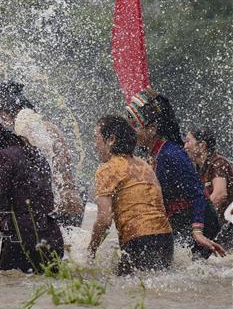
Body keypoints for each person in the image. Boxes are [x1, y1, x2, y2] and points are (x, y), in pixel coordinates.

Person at [126, 88, 225, 259]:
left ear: (153, 128)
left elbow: (198, 194)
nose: (131, 131)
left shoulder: (172, 153)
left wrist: (198, 232)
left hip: (201, 226)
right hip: (179, 223)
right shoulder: (152, 153)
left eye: (135, 125)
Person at [0, 118, 64, 273]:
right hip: (51, 234)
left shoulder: (2, 157)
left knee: (8, 287)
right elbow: (29, 195)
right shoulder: (34, 153)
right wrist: (1, 216)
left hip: (22, 238)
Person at [88, 115, 173, 275]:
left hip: (139, 240)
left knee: (123, 292)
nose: (95, 145)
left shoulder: (107, 169)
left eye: (96, 138)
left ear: (111, 139)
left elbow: (104, 219)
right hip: (166, 238)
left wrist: (90, 252)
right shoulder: (144, 165)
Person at [0, 79, 84, 228]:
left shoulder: (16, 138)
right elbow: (65, 168)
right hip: (71, 205)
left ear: (4, 114)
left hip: (44, 213)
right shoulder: (51, 128)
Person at [184, 129, 233, 222]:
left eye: (188, 141)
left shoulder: (218, 163)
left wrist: (198, 217)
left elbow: (220, 195)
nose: (185, 147)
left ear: (202, 145)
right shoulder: (199, 169)